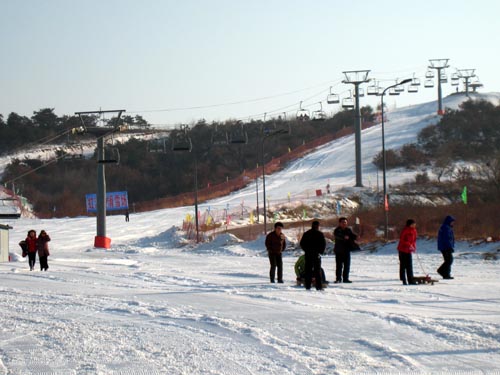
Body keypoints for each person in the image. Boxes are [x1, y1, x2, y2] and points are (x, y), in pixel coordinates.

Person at [299, 220, 326, 290]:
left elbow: (302, 243)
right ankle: (319, 286)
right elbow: (323, 244)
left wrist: (306, 250)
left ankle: (307, 285)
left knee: (308, 270)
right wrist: (320, 251)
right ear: (318, 226)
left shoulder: (307, 233)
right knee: (317, 270)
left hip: (308, 254)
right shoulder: (320, 234)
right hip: (316, 254)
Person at [333, 217, 358, 283]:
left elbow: (352, 236)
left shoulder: (348, 230)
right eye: (343, 222)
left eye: (345, 222)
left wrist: (356, 237)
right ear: (340, 223)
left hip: (347, 250)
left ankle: (345, 278)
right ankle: (338, 279)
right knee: (339, 266)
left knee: (347, 265)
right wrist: (344, 237)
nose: (344, 223)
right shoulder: (337, 230)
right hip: (339, 251)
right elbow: (338, 236)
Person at [397, 219, 417, 285]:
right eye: (413, 224)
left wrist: (413, 247)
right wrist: (409, 244)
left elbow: (414, 240)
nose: (414, 225)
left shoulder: (414, 231)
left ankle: (411, 280)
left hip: (409, 250)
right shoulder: (405, 230)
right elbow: (402, 240)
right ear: (410, 224)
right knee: (403, 265)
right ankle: (403, 279)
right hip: (402, 250)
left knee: (409, 266)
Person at [437, 215, 455, 279]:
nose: (453, 223)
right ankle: (441, 271)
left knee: (448, 260)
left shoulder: (447, 227)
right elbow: (446, 238)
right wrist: (449, 247)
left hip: (445, 246)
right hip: (445, 247)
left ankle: (446, 274)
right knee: (449, 260)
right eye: (452, 221)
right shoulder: (445, 227)